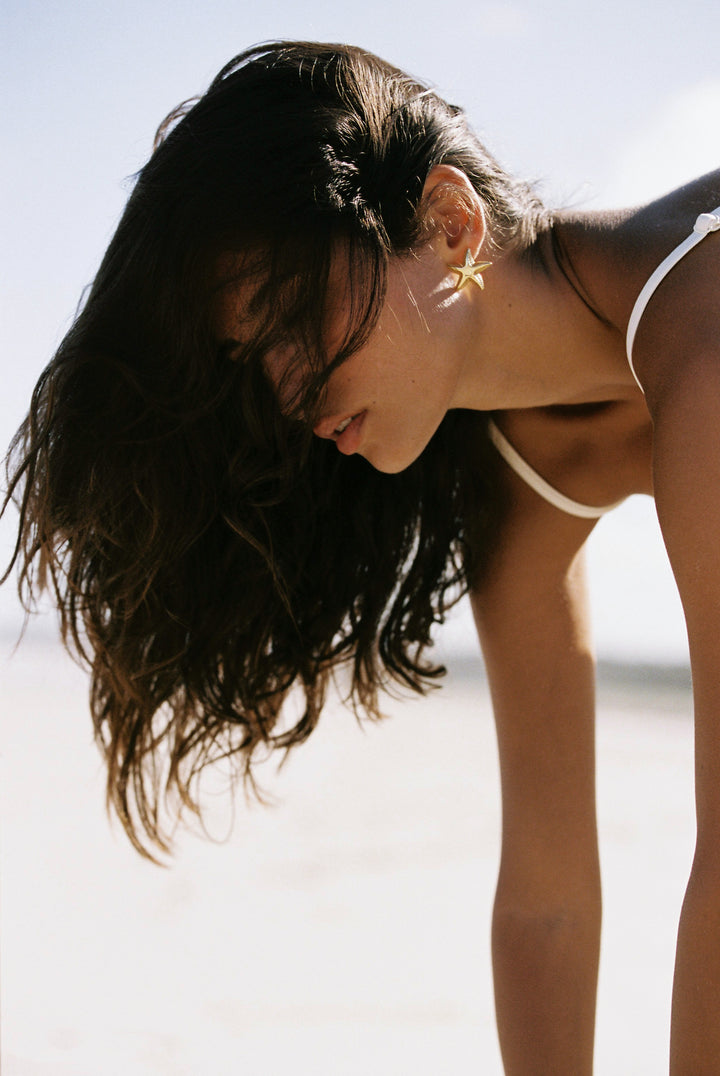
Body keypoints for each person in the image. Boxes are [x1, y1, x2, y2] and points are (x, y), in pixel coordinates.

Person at [2, 40, 719, 1074]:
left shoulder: (704, 337)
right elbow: (546, 898)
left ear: (448, 221)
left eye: (295, 319)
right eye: (258, 361)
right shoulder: (518, 479)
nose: (290, 390)